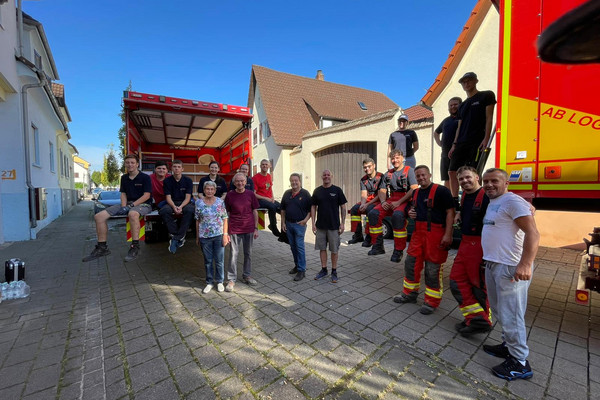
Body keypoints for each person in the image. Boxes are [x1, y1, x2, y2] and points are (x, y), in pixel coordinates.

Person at [480, 168, 539, 381]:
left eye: (494, 181)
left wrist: (525, 264)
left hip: (510, 267)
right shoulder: (495, 201)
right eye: (486, 181)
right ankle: (508, 346)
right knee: (498, 310)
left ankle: (520, 363)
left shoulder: (513, 201)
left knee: (512, 315)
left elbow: (533, 233)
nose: (489, 185)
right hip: (494, 264)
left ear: (506, 184)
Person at [393, 165, 454, 315]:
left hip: (436, 234)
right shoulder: (416, 192)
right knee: (411, 264)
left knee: (432, 269)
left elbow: (450, 213)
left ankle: (431, 302)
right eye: (418, 176)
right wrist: (411, 212)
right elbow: (412, 208)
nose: (421, 178)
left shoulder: (442, 191)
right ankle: (409, 294)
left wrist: (448, 234)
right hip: (418, 234)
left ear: (430, 175)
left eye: (423, 175)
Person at [83, 154, 152, 263]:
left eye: (132, 162)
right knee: (98, 216)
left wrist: (131, 206)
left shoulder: (145, 177)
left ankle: (135, 247)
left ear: (137, 164)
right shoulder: (124, 178)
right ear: (125, 164)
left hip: (143, 204)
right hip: (127, 203)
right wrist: (124, 206)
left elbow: (146, 195)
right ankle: (102, 248)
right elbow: (123, 193)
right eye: (127, 163)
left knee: (133, 214)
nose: (130, 165)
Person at [449, 166, 492, 337]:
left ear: (476, 178)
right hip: (466, 243)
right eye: (461, 179)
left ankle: (480, 321)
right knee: (456, 281)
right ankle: (474, 318)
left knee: (478, 285)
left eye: (468, 177)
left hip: (480, 245)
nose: (464, 181)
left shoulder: (487, 197)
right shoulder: (465, 195)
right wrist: (459, 212)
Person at [448, 72, 496, 198]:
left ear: (476, 81)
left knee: (473, 172)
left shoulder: (486, 95)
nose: (466, 83)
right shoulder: (462, 105)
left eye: (469, 80)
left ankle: (475, 197)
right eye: (464, 82)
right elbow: (459, 126)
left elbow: (489, 117)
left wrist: (487, 138)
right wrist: (454, 144)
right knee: (452, 171)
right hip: (461, 142)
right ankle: (454, 200)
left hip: (477, 140)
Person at [366, 150, 418, 262]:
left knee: (398, 216)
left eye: (397, 158)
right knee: (373, 214)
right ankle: (378, 246)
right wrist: (383, 202)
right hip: (391, 200)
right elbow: (382, 190)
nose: (395, 160)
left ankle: (398, 250)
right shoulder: (388, 174)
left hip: (405, 200)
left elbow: (414, 188)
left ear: (402, 158)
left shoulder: (410, 171)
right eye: (393, 158)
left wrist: (399, 202)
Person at [224, 172, 260, 291]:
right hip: (234, 228)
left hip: (249, 228)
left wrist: (256, 228)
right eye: (237, 181)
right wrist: (227, 231)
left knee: (248, 253)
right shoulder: (230, 195)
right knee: (234, 254)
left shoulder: (250, 194)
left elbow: (255, 211)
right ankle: (231, 279)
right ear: (234, 183)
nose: (240, 183)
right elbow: (227, 214)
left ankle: (247, 275)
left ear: (245, 182)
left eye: (242, 181)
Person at [311, 170, 347, 283]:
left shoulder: (337, 190)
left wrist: (343, 223)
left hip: (334, 226)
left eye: (328, 175)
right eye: (324, 175)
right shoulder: (317, 191)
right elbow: (313, 207)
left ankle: (334, 271)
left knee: (334, 250)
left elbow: (343, 207)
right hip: (320, 226)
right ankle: (324, 269)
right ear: (321, 177)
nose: (326, 177)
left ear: (331, 176)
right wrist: (312, 223)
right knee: (322, 248)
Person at [195, 181, 229, 294]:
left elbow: (225, 218)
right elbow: (197, 221)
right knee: (208, 261)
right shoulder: (199, 203)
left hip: (218, 235)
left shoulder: (220, 202)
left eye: (212, 189)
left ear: (215, 191)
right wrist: (197, 237)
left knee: (219, 260)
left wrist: (225, 235)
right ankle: (209, 282)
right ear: (204, 190)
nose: (209, 191)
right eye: (207, 189)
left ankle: (220, 281)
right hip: (204, 236)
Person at [281, 173, 312, 281]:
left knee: (299, 247)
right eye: (292, 181)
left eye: (296, 180)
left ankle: (302, 270)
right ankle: (297, 265)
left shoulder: (305, 194)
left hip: (300, 225)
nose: (294, 182)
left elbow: (311, 210)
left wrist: (305, 220)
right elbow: (283, 210)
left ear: (300, 182)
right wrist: (283, 223)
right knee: (293, 247)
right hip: (288, 224)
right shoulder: (287, 193)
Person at [159, 160, 195, 254]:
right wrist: (174, 207)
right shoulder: (167, 181)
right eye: (174, 166)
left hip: (185, 202)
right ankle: (177, 235)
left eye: (179, 167)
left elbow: (188, 197)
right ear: (171, 168)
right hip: (172, 202)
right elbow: (168, 197)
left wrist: (181, 207)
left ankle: (177, 238)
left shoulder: (188, 180)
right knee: (164, 211)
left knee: (190, 210)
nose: (176, 169)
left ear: (182, 169)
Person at [348, 158, 383, 247]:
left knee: (369, 210)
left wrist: (366, 205)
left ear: (374, 166)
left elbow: (381, 194)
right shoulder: (363, 179)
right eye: (365, 167)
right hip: (368, 199)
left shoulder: (381, 177)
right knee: (355, 209)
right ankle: (358, 235)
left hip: (379, 199)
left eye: (369, 166)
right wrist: (363, 204)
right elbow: (364, 194)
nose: (367, 169)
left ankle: (369, 236)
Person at [434, 97, 462, 189]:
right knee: (447, 178)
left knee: (459, 176)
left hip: (458, 153)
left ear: (460, 105)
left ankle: (456, 199)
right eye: (451, 105)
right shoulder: (446, 120)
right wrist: (440, 143)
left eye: (455, 104)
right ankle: (447, 198)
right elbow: (436, 132)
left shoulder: (463, 119)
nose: (453, 107)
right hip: (445, 154)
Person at [253, 159, 281, 236]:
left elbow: (270, 188)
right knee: (272, 207)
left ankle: (285, 228)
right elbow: (254, 194)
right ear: (260, 166)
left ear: (269, 166)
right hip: (260, 200)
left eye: (266, 164)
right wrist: (266, 199)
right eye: (263, 164)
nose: (265, 166)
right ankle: (273, 226)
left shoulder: (269, 176)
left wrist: (273, 197)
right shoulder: (255, 178)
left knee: (282, 208)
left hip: (269, 199)